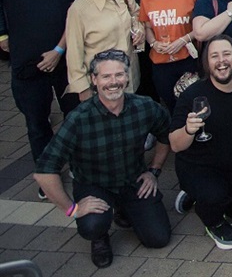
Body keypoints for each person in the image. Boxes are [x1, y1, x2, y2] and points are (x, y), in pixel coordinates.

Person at [33, 49, 171, 268]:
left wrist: (154, 170)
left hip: (132, 180)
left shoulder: (145, 107)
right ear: (94, 80)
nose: (113, 82)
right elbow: (44, 171)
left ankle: (124, 210)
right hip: (94, 185)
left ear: (127, 77)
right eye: (106, 76)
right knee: (91, 225)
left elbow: (167, 135)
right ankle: (100, 237)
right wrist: (72, 209)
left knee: (158, 238)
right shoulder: (78, 119)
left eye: (119, 75)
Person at [0, 0, 85, 166]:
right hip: (26, 65)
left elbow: (79, 13)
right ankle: (47, 173)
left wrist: (59, 49)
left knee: (76, 117)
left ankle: (80, 168)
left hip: (67, 59)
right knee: (37, 125)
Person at [169, 36, 232, 250]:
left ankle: (201, 195)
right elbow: (175, 144)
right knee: (214, 197)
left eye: (227, 54)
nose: (221, 61)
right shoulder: (193, 95)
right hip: (200, 167)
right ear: (207, 63)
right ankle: (211, 218)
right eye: (214, 56)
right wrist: (189, 130)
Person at [64, 0, 141, 99]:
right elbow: (74, 52)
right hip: (102, 84)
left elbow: (136, 14)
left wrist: (139, 29)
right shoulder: (79, 9)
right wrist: (83, 89)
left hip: (129, 76)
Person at [137, 0, 201, 110]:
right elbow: (147, 26)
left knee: (194, 104)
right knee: (171, 107)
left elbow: (203, 26)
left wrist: (183, 40)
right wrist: (153, 43)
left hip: (189, 59)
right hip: (161, 62)